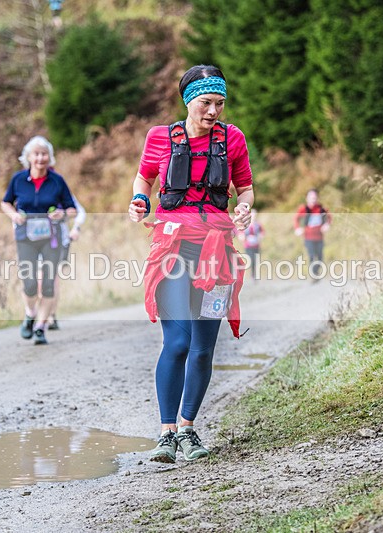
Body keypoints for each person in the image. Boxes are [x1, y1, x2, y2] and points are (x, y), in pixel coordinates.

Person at [128, 65, 254, 463]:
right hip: (172, 249)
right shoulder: (160, 138)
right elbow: (143, 179)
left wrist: (245, 208)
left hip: (216, 252)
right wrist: (140, 201)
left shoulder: (232, 138)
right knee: (178, 342)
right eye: (206, 103)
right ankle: (166, 434)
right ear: (189, 102)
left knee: (202, 349)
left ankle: (188, 429)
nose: (213, 110)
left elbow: (245, 187)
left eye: (219, 103)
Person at [0, 136, 78, 346]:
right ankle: (30, 313)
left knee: (49, 284)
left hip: (51, 238)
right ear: (28, 157)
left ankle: (41, 327)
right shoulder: (18, 180)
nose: (40, 158)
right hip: (25, 237)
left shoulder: (57, 181)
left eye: (44, 154)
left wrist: (61, 213)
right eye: (36, 154)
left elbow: (72, 209)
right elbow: (5, 203)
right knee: (30, 283)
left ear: (49, 158)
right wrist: (14, 215)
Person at [47, 193, 86, 330]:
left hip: (59, 241)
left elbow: (79, 212)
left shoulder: (59, 188)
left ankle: (51, 315)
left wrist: (76, 228)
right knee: (39, 280)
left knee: (53, 279)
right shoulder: (27, 190)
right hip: (35, 241)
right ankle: (39, 313)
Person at [293, 189, 331, 279]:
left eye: (315, 197)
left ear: (317, 198)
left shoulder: (321, 209)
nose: (313, 199)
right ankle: (314, 275)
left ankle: (316, 272)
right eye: (311, 197)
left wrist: (326, 224)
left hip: (319, 237)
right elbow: (296, 219)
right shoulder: (304, 209)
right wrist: (297, 228)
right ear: (307, 198)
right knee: (312, 256)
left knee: (320, 257)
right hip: (308, 237)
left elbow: (329, 217)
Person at [238, 209, 264, 282]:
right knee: (251, 260)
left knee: (256, 260)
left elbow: (262, 232)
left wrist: (260, 237)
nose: (254, 217)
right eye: (252, 215)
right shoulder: (245, 225)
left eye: (255, 215)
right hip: (248, 246)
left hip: (256, 245)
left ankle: (254, 275)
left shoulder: (258, 225)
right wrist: (242, 237)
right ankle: (250, 275)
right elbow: (240, 233)